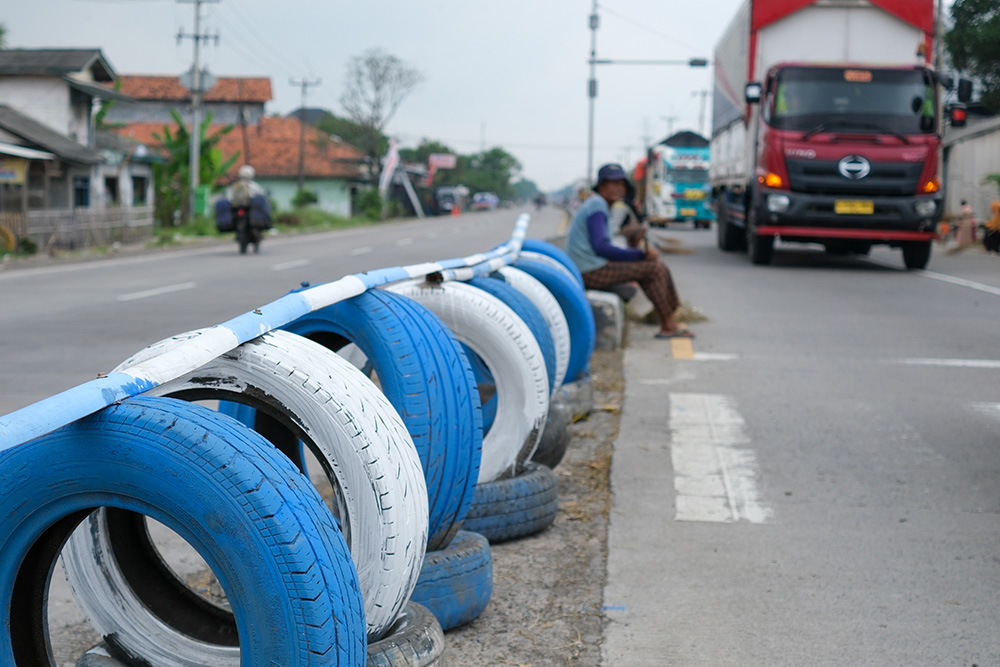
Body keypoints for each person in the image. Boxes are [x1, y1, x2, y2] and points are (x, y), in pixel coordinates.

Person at [566, 163, 693, 339]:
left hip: (591, 266)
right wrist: (640, 255)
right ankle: (668, 324)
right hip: (589, 270)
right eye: (613, 183)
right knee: (652, 268)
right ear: (602, 185)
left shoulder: (601, 205)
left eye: (622, 184)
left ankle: (670, 314)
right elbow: (601, 247)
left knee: (656, 265)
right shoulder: (597, 206)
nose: (619, 188)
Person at [227, 165, 266, 254]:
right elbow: (260, 195)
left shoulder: (234, 186)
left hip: (237, 208)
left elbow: (229, 197)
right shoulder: (254, 186)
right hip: (248, 209)